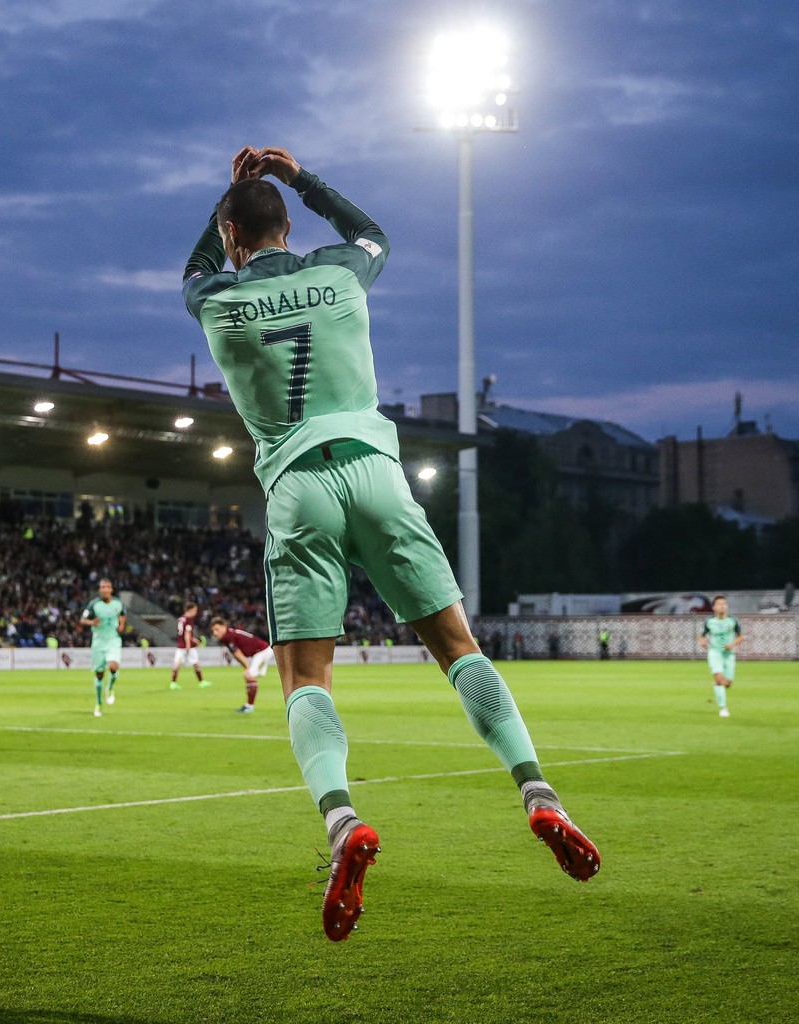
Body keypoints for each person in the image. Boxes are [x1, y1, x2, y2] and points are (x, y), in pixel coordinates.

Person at [183, 146, 600, 942]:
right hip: (377, 470)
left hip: (300, 482)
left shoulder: (215, 299)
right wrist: (297, 178)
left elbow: (194, 269)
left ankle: (344, 822)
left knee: (306, 677)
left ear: (232, 235)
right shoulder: (343, 271)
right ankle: (539, 793)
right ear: (286, 225)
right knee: (458, 648)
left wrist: (228, 199)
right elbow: (373, 230)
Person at [79, 578, 125, 716]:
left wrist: (122, 625)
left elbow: (122, 615)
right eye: (102, 587)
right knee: (99, 674)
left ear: (111, 589)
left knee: (113, 666)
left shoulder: (118, 603)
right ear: (99, 590)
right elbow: (82, 620)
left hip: (113, 641)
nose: (105, 589)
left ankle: (110, 688)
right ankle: (99, 703)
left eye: (107, 587)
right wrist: (92, 622)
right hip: (98, 643)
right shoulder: (94, 604)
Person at [210, 617, 272, 713]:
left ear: (224, 627)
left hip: (261, 652)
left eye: (217, 629)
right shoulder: (230, 634)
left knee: (248, 675)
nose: (215, 633)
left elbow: (237, 653)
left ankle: (250, 707)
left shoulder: (227, 637)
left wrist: (248, 668)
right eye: (213, 630)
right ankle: (249, 705)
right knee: (249, 676)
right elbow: (237, 655)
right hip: (263, 650)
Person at [699, 595, 742, 717]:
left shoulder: (732, 621)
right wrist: (702, 642)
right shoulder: (709, 621)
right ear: (714, 607)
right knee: (719, 679)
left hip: (728, 655)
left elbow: (741, 637)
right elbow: (701, 636)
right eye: (719, 604)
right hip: (715, 653)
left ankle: (719, 684)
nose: (722, 606)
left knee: (728, 683)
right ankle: (723, 708)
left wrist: (732, 644)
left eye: (724, 604)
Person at [169, 602, 211, 690]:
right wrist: (188, 644)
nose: (196, 612)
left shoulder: (180, 619)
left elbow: (182, 633)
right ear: (190, 610)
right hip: (188, 647)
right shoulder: (188, 619)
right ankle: (201, 682)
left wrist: (194, 640)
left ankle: (173, 683)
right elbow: (187, 633)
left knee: (177, 664)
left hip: (180, 645)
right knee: (195, 664)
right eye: (195, 610)